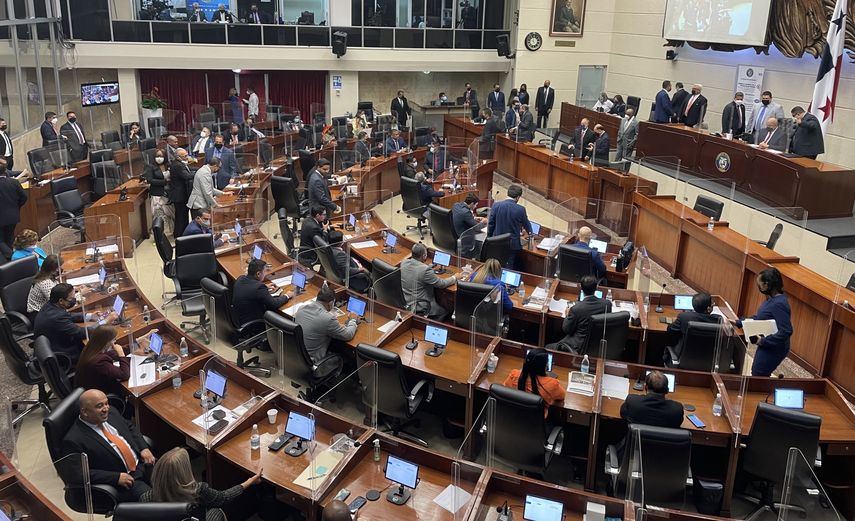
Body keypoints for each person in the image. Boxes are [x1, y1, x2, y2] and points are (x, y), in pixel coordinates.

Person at [61, 389, 155, 502]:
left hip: (143, 463)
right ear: (85, 412)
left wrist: (143, 448)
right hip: (127, 480)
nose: (106, 409)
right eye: (99, 406)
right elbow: (78, 474)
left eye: (106, 403)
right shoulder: (73, 440)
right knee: (152, 500)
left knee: (175, 478)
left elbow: (129, 426)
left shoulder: (111, 413)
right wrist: (115, 478)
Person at [141, 447, 260, 521]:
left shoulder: (146, 498)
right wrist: (249, 482)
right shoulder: (197, 491)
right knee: (215, 511)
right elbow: (224, 497)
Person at [34, 283, 116, 363]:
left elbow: (67, 315)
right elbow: (83, 333)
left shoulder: (50, 305)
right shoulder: (57, 317)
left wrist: (90, 316)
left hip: (53, 343)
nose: (74, 300)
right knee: (102, 350)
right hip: (64, 354)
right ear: (61, 301)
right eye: (71, 298)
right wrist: (105, 321)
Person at [740, 267, 793, 376]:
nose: (758, 286)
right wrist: (740, 322)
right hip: (767, 345)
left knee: (759, 374)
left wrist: (764, 341)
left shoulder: (779, 304)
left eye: (760, 284)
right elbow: (761, 318)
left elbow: (786, 331)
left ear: (767, 284)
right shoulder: (771, 299)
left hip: (774, 347)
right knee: (757, 372)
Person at [295, 283, 358, 363]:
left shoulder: (301, 308)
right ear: (331, 303)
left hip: (297, 356)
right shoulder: (328, 319)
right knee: (347, 356)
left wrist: (336, 326)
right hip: (313, 361)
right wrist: (353, 320)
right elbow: (348, 335)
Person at [546, 275, 611, 352]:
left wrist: (567, 314)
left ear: (581, 288)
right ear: (596, 287)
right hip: (597, 344)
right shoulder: (607, 304)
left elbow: (566, 329)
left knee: (548, 346)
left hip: (577, 346)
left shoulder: (576, 309)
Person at [401, 243, 458, 319]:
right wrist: (455, 277)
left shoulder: (404, 263)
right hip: (422, 306)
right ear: (424, 256)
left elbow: (416, 270)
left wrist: (429, 266)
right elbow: (441, 284)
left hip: (408, 301)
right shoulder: (425, 270)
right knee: (447, 310)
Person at [233, 259, 294, 328]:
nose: (265, 274)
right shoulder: (259, 288)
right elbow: (274, 304)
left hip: (239, 318)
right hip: (253, 324)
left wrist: (265, 287)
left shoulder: (240, 278)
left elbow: (250, 288)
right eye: (265, 271)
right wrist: (287, 296)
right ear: (258, 274)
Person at [664, 292, 721, 365]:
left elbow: (670, 330)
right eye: (712, 303)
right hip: (709, 362)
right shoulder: (718, 319)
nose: (713, 304)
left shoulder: (684, 317)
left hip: (684, 360)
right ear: (708, 308)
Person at [503, 348, 564, 415]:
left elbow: (505, 388)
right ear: (545, 366)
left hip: (513, 418)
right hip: (535, 423)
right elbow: (562, 396)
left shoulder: (514, 375)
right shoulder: (552, 384)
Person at [74, 325, 130, 397]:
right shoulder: (99, 361)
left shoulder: (91, 348)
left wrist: (136, 343)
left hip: (87, 388)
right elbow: (124, 375)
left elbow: (109, 354)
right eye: (113, 339)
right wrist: (121, 354)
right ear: (106, 342)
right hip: (98, 396)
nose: (115, 341)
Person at [487, 184, 532, 269]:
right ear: (518, 197)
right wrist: (531, 236)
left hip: (497, 242)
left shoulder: (496, 205)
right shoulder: (520, 209)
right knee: (508, 266)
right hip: (512, 245)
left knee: (496, 265)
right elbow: (527, 226)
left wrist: (489, 239)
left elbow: (491, 224)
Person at [620, 370, 684, 428]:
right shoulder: (677, 410)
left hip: (636, 439)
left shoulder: (632, 401)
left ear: (646, 387)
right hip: (662, 440)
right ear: (667, 390)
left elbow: (623, 414)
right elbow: (678, 423)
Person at [145, 149, 174, 237]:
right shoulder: (150, 166)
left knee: (169, 215)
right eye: (157, 156)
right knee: (159, 216)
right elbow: (150, 180)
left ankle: (170, 233)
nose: (159, 158)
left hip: (168, 194)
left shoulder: (169, 165)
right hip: (157, 195)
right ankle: (160, 236)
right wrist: (164, 182)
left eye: (161, 156)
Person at [0, 164, 26, 248]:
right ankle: (12, 257)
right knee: (10, 236)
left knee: (1, 240)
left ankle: (9, 257)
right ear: (5, 171)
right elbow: (24, 197)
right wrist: (16, 206)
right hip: (13, 215)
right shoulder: (14, 182)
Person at [169, 148, 194, 237]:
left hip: (181, 195)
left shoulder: (180, 164)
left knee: (183, 216)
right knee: (181, 217)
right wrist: (199, 173)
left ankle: (183, 234)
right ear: (178, 157)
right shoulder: (178, 165)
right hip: (179, 196)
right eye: (185, 156)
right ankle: (180, 235)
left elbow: (188, 170)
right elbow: (187, 176)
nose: (187, 157)